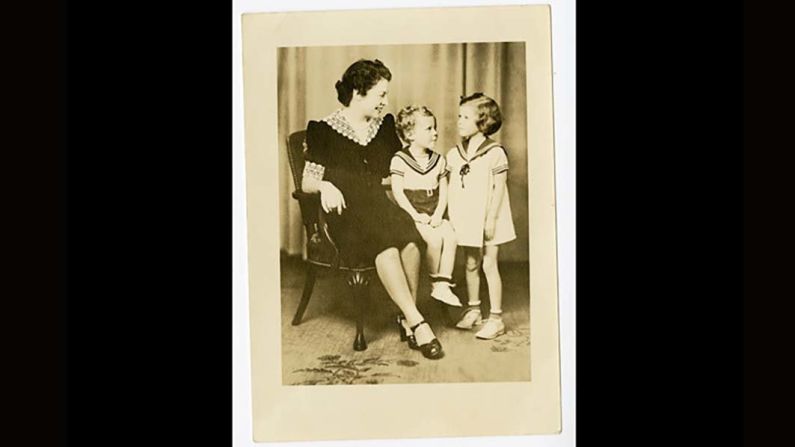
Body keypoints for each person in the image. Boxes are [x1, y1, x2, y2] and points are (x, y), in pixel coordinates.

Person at [301, 59, 443, 359]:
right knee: (386, 247)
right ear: (357, 93)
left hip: (380, 206)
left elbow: (399, 169)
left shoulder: (386, 126)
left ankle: (406, 317)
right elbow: (308, 181)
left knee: (410, 240)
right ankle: (418, 322)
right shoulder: (322, 130)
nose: (385, 102)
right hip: (346, 215)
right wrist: (325, 186)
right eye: (380, 95)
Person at [446, 93, 517, 340]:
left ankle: (496, 318)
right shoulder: (454, 154)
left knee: (489, 263)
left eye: (466, 117)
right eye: (459, 116)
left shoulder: (495, 152)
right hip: (467, 217)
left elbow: (499, 188)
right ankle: (474, 309)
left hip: (490, 218)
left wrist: (491, 220)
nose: (459, 121)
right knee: (470, 263)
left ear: (483, 121)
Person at [390, 105, 461, 309]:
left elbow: (444, 190)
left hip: (434, 209)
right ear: (410, 134)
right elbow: (398, 192)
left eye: (435, 127)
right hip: (413, 212)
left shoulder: (439, 161)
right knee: (434, 239)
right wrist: (414, 215)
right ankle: (434, 280)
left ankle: (443, 283)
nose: (435, 133)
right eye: (429, 129)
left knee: (451, 237)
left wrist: (439, 214)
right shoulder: (400, 160)